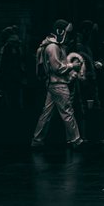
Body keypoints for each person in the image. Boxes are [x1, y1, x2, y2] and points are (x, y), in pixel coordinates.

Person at [30, 20, 85, 149]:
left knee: (47, 113)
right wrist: (73, 66)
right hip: (58, 84)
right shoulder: (53, 47)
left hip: (52, 84)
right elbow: (57, 68)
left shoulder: (48, 45)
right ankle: (76, 140)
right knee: (67, 112)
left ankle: (37, 140)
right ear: (60, 32)